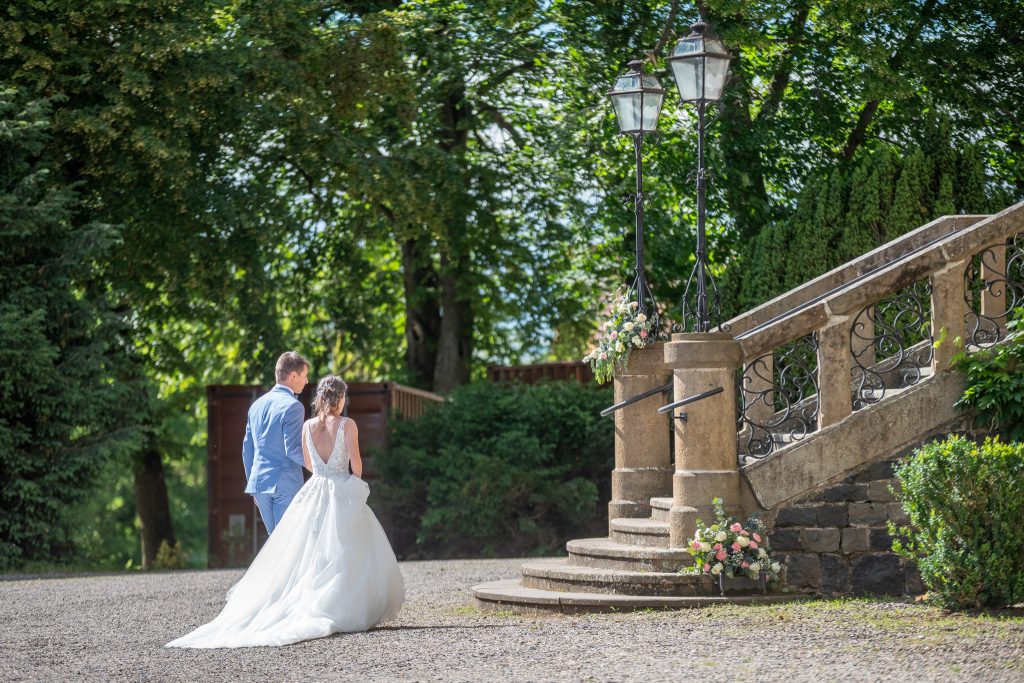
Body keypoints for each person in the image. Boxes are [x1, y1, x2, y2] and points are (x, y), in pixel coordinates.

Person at [167, 374, 405, 648]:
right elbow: (357, 464)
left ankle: (310, 599)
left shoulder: (307, 426)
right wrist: (353, 487)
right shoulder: (348, 425)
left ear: (319, 398)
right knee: (345, 548)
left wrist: (322, 474)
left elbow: (306, 462)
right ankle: (341, 605)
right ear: (340, 398)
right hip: (340, 487)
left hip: (315, 490)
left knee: (309, 550)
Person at [242, 352, 309, 535]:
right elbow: (293, 450)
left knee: (276, 544)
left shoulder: (256, 406)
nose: (306, 381)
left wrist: (253, 485)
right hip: (285, 483)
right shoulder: (293, 406)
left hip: (259, 483)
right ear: (293, 375)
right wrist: (319, 465)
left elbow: (247, 451)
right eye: (304, 376)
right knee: (287, 543)